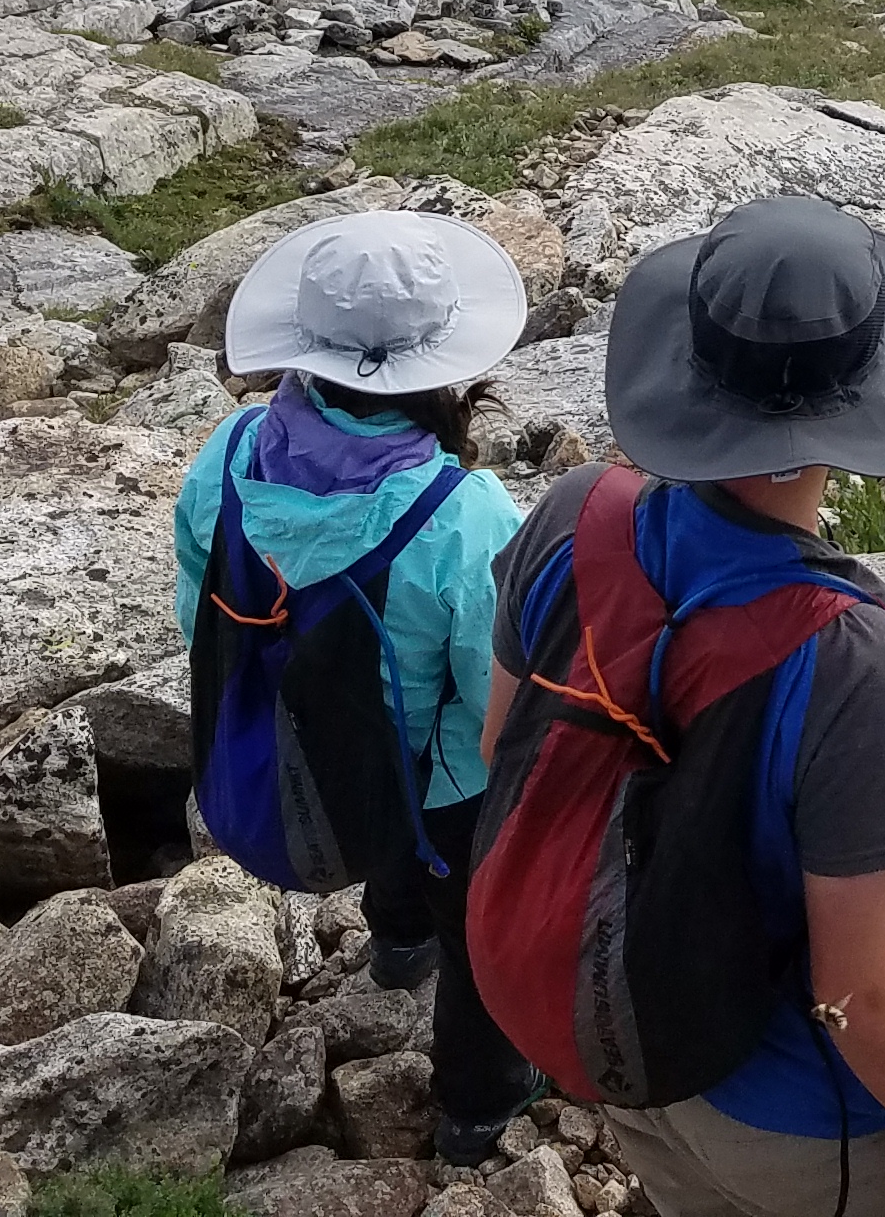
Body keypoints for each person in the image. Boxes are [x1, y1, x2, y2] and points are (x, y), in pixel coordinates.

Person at [481, 191, 885, 1217]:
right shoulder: (850, 654)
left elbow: (504, 756)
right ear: (864, 399)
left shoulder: (573, 515)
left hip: (629, 1047)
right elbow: (858, 996)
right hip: (810, 1115)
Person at [179, 209, 536, 1162]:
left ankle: (391, 943)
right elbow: (486, 700)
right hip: (438, 783)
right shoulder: (466, 518)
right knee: (478, 932)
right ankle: (475, 1109)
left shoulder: (232, 454)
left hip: (304, 745)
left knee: (365, 772)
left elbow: (199, 611)